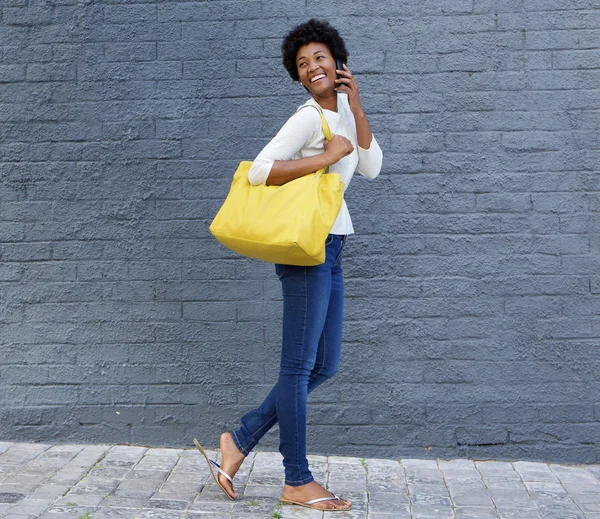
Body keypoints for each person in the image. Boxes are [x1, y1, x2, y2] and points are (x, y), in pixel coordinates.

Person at [195, 18, 383, 512]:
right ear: (297, 77)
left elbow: (372, 165)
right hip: (305, 250)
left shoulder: (343, 113)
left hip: (334, 247)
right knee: (298, 367)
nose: (312, 67)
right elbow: (258, 171)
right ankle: (297, 479)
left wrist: (356, 106)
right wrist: (323, 159)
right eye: (302, 64)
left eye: (319, 58)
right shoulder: (305, 118)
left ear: (338, 62)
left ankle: (239, 439)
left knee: (324, 365)